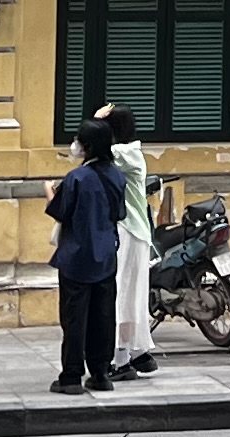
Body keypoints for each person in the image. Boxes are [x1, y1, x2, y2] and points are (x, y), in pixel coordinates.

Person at [46, 121, 120, 394]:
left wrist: (48, 192)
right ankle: (101, 373)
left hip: (76, 257)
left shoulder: (75, 178)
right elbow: (118, 214)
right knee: (103, 316)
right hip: (105, 255)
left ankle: (71, 375)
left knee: (75, 318)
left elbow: (60, 211)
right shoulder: (116, 176)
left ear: (87, 146)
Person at [103, 103, 158, 380]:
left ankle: (122, 359)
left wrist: (95, 121)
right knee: (128, 294)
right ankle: (138, 354)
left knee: (123, 295)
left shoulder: (124, 154)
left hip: (130, 232)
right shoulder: (127, 153)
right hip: (130, 232)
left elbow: (84, 149)